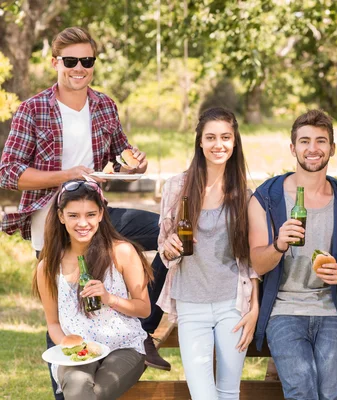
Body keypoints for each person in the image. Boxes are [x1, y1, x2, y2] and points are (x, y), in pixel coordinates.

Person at [0, 26, 170, 400]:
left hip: (97, 213)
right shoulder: (34, 109)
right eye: (71, 61)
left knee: (166, 234)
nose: (79, 68)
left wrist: (135, 163)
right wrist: (67, 175)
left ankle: (143, 331)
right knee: (63, 300)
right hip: (52, 217)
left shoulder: (105, 105)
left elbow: (121, 154)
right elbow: (10, 172)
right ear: (55, 63)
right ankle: (65, 390)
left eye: (87, 61)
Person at [248, 109, 337, 400]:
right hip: (284, 310)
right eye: (305, 141)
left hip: (331, 309)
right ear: (293, 148)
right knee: (302, 391)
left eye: (321, 141)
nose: (313, 149)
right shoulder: (266, 198)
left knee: (330, 392)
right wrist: (279, 245)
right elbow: (257, 264)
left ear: (332, 148)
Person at [155, 107, 260, 400]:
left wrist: (254, 308)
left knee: (228, 392)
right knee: (203, 395)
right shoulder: (177, 187)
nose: (218, 144)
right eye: (211, 137)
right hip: (191, 303)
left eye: (226, 137)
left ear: (235, 142)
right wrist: (170, 247)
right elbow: (164, 251)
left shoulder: (244, 193)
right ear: (199, 142)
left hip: (233, 304)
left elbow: (251, 260)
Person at [34, 179, 154, 399]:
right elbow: (53, 323)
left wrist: (109, 298)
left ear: (101, 214)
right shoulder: (48, 267)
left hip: (123, 347)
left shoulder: (122, 252)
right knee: (77, 384)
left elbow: (144, 309)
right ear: (61, 217)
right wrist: (73, 348)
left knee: (84, 393)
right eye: (73, 216)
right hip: (81, 353)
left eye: (90, 214)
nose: (83, 223)